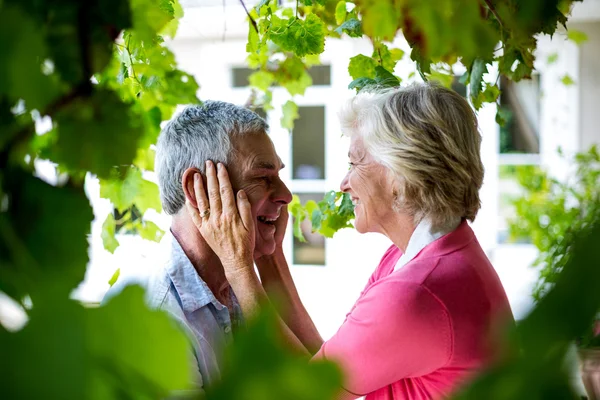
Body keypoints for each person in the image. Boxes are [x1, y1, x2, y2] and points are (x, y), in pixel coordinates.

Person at [185, 83, 515, 399]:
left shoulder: (414, 295)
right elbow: (325, 368)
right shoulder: (420, 259)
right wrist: (266, 257)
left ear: (400, 173)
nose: (344, 183)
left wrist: (237, 266)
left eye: (355, 162)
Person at [102, 101, 295, 389]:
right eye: (263, 178)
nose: (286, 195)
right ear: (199, 190)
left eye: (279, 176)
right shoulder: (155, 314)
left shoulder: (238, 284)